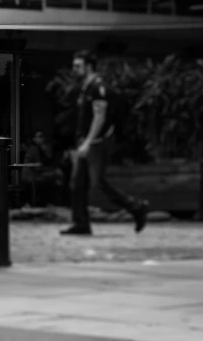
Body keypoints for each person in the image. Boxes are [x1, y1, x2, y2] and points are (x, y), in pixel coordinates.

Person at [61, 49, 149, 236]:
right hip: (85, 141)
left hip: (97, 142)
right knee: (77, 184)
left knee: (97, 184)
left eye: (78, 65)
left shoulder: (97, 87)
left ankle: (135, 207)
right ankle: (81, 223)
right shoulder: (86, 87)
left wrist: (88, 142)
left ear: (89, 66)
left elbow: (99, 117)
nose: (74, 69)